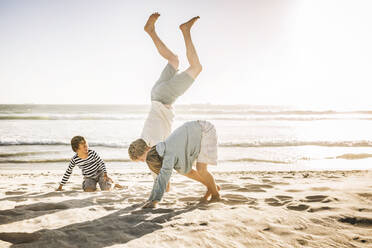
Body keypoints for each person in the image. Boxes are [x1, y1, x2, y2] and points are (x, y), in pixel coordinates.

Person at [128, 13, 203, 191]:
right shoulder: (145, 137)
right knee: (174, 60)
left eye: (140, 160)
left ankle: (185, 31)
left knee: (196, 68)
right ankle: (151, 32)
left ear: (142, 154)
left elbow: (164, 184)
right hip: (156, 95)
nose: (142, 162)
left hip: (164, 97)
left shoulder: (151, 148)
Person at [142, 120, 221, 208]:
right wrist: (151, 199)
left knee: (201, 169)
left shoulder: (168, 155)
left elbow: (163, 177)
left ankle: (215, 195)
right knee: (184, 170)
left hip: (205, 130)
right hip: (196, 130)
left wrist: (154, 201)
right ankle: (212, 187)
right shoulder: (161, 147)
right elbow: (160, 178)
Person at [57, 136, 123, 192]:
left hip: (100, 173)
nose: (87, 148)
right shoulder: (75, 159)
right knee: (88, 190)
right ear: (76, 149)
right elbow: (68, 172)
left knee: (106, 189)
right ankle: (91, 185)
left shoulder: (92, 153)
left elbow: (101, 163)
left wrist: (105, 173)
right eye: (84, 147)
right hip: (89, 177)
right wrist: (61, 186)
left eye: (87, 145)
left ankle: (113, 184)